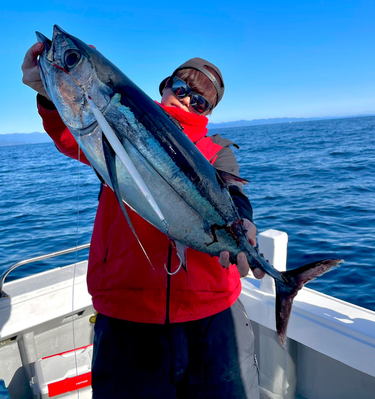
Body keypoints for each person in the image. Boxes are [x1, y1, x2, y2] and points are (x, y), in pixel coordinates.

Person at [22, 43, 264, 399]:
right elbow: (70, 135)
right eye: (181, 89)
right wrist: (51, 94)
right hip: (127, 315)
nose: (187, 101)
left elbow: (236, 199)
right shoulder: (117, 120)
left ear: (209, 112)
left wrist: (244, 223)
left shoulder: (217, 150)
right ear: (165, 86)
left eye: (201, 101)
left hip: (213, 315)